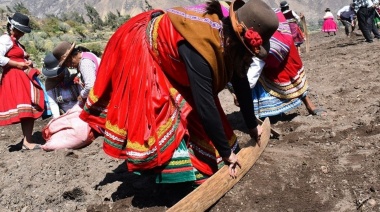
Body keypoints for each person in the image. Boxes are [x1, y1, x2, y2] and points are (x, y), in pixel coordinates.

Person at [79, 0, 278, 185]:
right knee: (162, 113)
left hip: (178, 59)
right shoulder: (201, 48)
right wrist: (227, 154)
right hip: (146, 49)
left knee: (200, 122)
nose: (249, 58)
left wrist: (252, 125)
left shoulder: (228, 41)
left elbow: (240, 78)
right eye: (248, 52)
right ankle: (166, 176)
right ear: (237, 42)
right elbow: (205, 104)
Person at [230, 8, 325, 118]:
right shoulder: (260, 15)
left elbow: (252, 75)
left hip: (278, 52)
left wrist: (239, 92)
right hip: (271, 44)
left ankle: (308, 104)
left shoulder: (269, 47)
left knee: (288, 74)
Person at [0, 12, 45, 150]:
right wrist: (18, 64)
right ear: (12, 28)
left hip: (22, 77)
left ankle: (27, 141)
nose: (22, 34)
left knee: (29, 108)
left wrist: (25, 60)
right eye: (20, 31)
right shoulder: (5, 39)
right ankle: (27, 141)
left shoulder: (15, 42)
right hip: (15, 77)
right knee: (26, 107)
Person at [51, 41, 100, 106]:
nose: (68, 66)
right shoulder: (87, 54)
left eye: (66, 63)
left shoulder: (84, 63)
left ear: (70, 58)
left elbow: (90, 86)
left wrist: (82, 95)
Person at [42, 53, 82, 118]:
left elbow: (83, 97)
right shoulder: (50, 84)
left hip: (80, 111)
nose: (57, 77)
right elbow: (53, 103)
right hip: (64, 115)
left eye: (59, 74)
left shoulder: (75, 78)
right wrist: (57, 119)